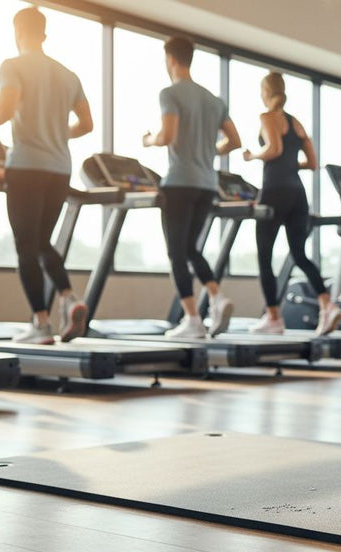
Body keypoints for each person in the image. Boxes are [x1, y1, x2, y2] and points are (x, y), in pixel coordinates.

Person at [0, 6, 93, 345]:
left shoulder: (12, 65)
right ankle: (69, 299)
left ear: (18, 32)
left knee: (26, 246)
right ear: (44, 33)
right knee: (41, 242)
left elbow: (4, 111)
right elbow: (87, 124)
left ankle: (41, 324)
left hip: (26, 165)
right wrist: (55, 132)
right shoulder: (68, 74)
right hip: (59, 167)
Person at [143, 36, 241, 339]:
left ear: (170, 59)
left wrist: (149, 139)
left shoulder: (170, 93)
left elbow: (167, 134)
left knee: (176, 252)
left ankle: (193, 320)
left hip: (180, 181)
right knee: (190, 249)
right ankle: (216, 296)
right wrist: (211, 151)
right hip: (207, 184)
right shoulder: (214, 100)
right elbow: (235, 141)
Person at [241, 72, 341, 336]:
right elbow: (312, 163)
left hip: (274, 189)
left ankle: (273, 317)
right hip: (297, 191)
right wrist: (289, 163)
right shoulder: (295, 123)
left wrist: (253, 155)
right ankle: (327, 304)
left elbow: (273, 149)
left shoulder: (266, 117)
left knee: (264, 256)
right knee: (298, 253)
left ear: (265, 91)